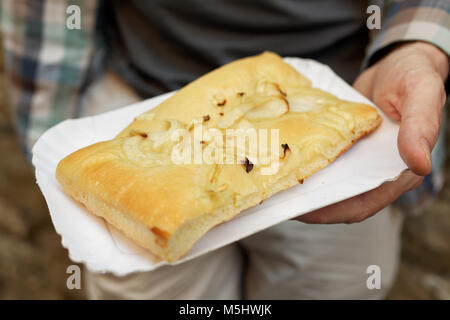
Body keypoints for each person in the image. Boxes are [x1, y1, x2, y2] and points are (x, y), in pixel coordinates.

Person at [1, 0, 448, 299]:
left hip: (348, 92)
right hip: (131, 89)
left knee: (330, 288)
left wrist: (416, 46)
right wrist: (51, 112)